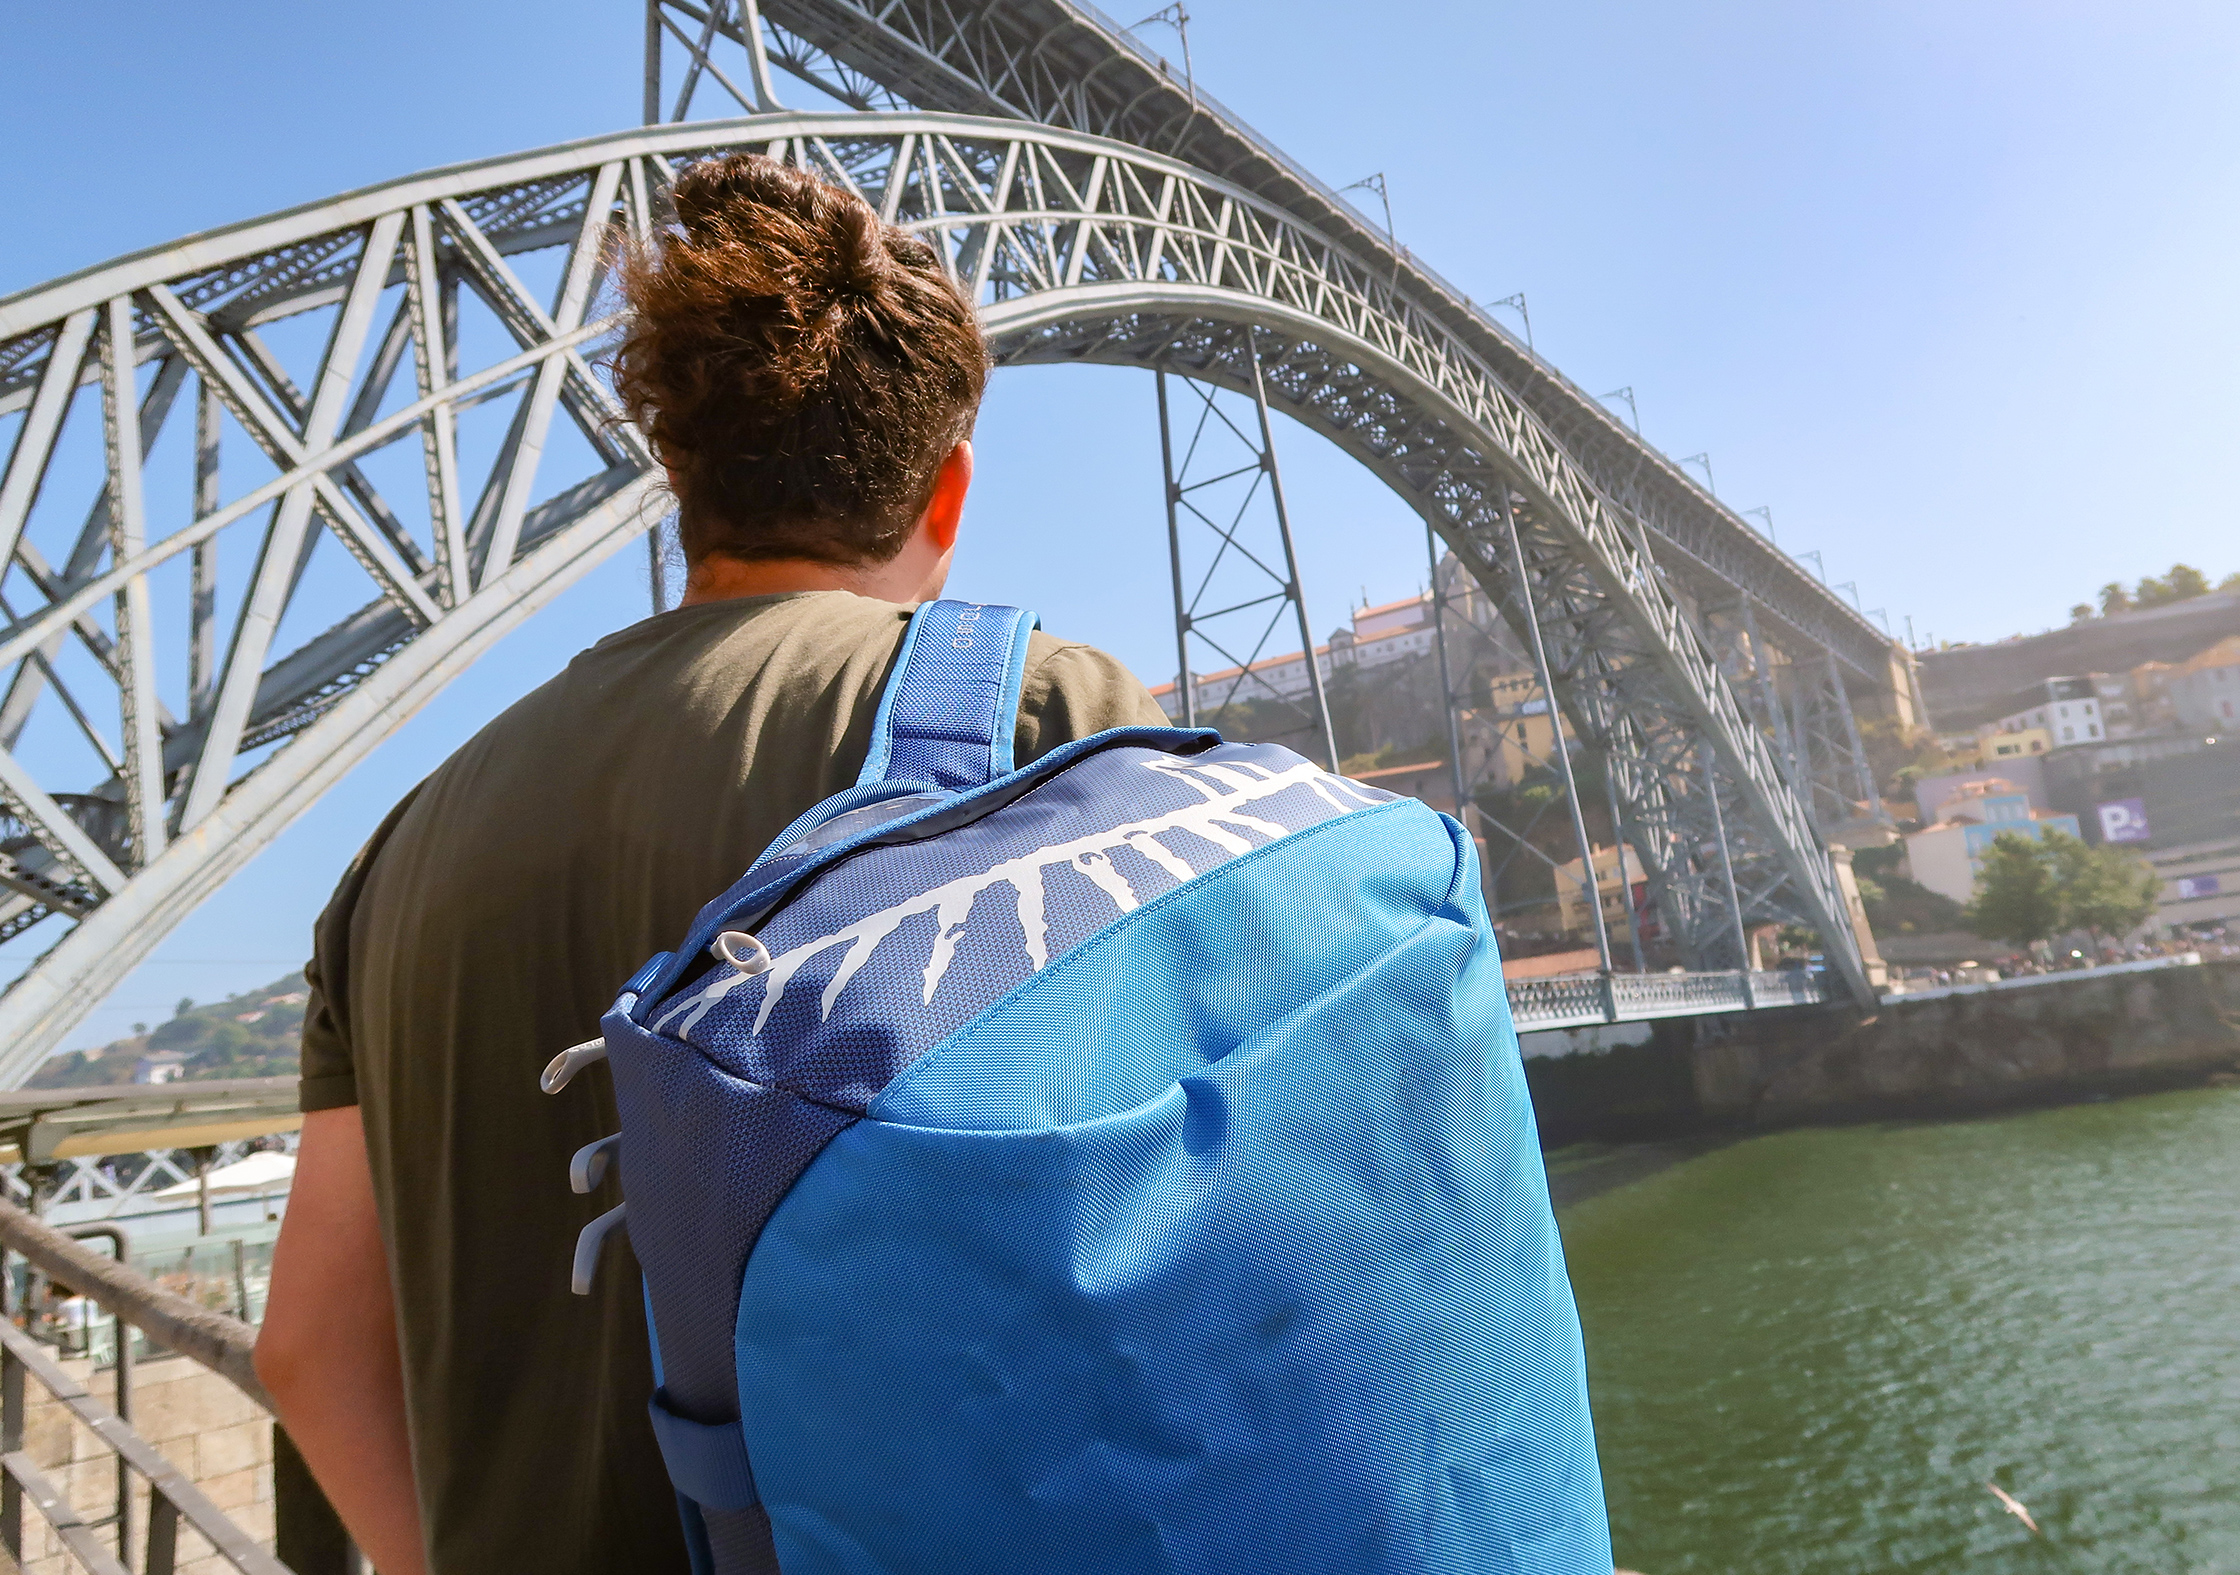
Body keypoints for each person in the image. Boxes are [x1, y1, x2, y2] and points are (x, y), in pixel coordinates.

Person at [255, 153, 1170, 1575]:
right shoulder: (1056, 728)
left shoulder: (396, 848)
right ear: (950, 489)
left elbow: (307, 1347)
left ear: (677, 470)